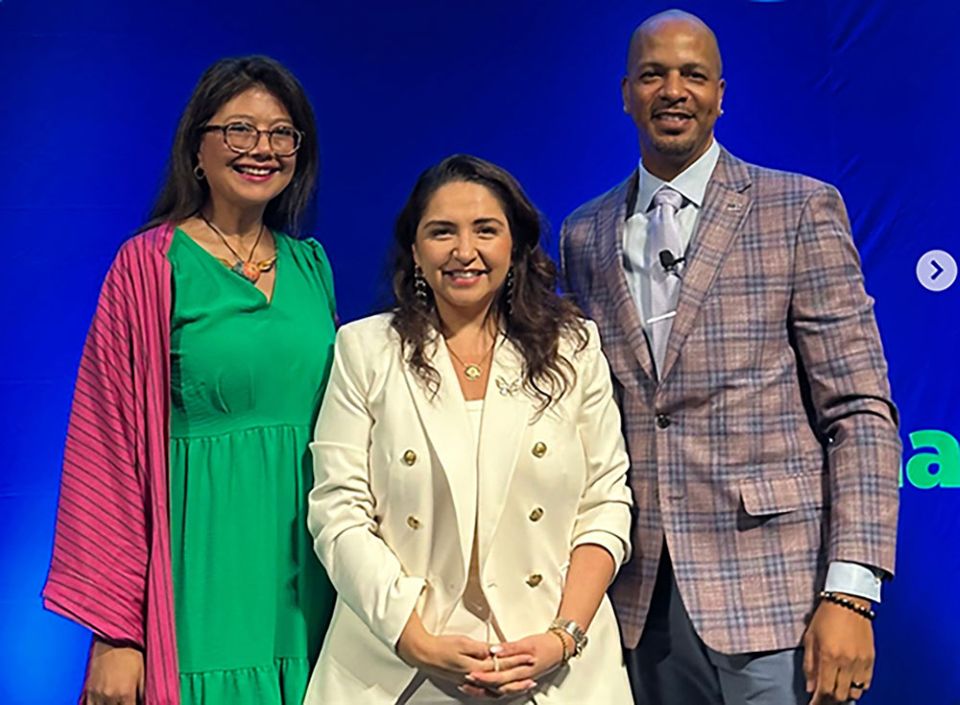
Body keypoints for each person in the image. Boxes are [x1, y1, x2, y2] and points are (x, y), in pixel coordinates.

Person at [560, 10, 900, 705]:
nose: (673, 90)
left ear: (722, 93)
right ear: (626, 93)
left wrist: (853, 592)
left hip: (780, 599)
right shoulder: (583, 234)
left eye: (692, 74)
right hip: (638, 605)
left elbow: (860, 411)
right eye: (653, 74)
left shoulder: (797, 210)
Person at [43, 56, 337, 705]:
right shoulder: (148, 267)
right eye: (239, 129)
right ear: (197, 148)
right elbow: (106, 453)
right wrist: (117, 633)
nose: (262, 147)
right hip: (202, 575)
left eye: (282, 133)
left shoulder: (312, 265)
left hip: (310, 579)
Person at [302, 154, 633, 704]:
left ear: (515, 246)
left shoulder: (573, 349)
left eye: (486, 230)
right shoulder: (366, 350)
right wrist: (414, 639)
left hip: (551, 664)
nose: (464, 251)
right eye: (441, 232)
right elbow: (338, 511)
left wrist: (562, 637)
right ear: (414, 250)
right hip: (398, 666)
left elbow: (606, 505)